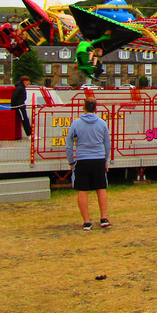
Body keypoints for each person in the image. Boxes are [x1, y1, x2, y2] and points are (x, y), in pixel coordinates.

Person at [65, 97, 111, 231]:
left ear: (83, 108)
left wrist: (71, 162)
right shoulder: (102, 123)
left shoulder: (76, 123)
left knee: (82, 191)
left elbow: (69, 145)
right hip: (98, 159)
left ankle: (86, 221)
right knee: (101, 188)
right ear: (96, 109)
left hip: (82, 159)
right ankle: (103, 218)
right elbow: (107, 144)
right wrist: (105, 160)